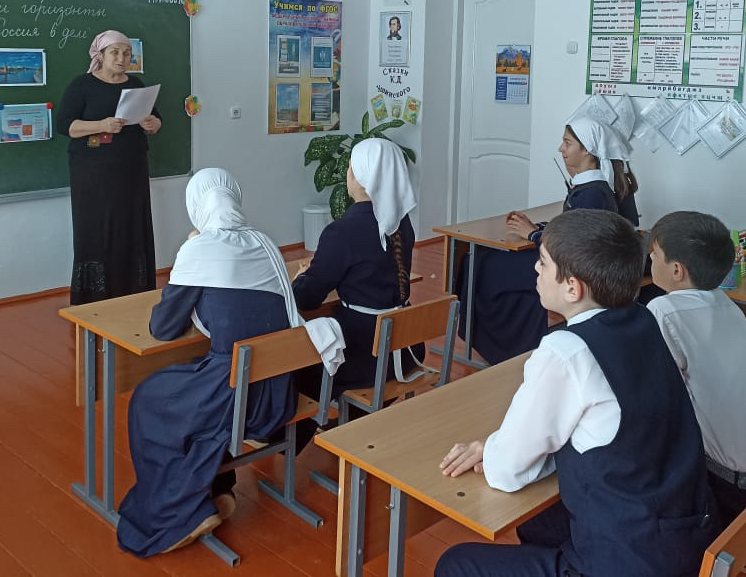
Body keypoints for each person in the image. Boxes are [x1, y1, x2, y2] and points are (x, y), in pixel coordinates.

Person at [436, 209, 717, 577]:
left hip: (625, 561)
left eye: (543, 262)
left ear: (573, 287)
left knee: (455, 564)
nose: (535, 268)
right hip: (683, 535)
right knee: (539, 524)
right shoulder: (645, 319)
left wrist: (489, 448)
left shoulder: (566, 351)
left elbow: (506, 470)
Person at [116, 169, 302, 556]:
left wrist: (189, 253)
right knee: (193, 387)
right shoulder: (265, 242)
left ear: (196, 207)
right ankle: (217, 488)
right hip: (278, 393)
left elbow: (163, 327)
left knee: (150, 400)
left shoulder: (200, 250)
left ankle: (182, 511)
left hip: (238, 397)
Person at [458, 118, 639, 365]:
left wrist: (534, 235)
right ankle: (506, 344)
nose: (560, 149)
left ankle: (503, 347)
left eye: (567, 143)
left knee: (480, 264)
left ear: (587, 150)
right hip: (566, 262)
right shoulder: (593, 187)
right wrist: (537, 228)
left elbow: (574, 246)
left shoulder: (593, 193)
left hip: (568, 268)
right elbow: (574, 228)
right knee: (483, 259)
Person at [646, 211, 746, 523]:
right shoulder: (725, 303)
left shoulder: (664, 309)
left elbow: (654, 397)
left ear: (676, 270)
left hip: (724, 487)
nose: (649, 259)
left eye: (654, 254)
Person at [293, 137, 423, 395]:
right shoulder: (402, 222)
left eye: (350, 167)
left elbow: (306, 299)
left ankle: (341, 418)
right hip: (406, 350)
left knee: (295, 367)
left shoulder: (341, 232)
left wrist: (301, 277)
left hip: (362, 356)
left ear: (358, 176)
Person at [56, 30, 162, 305]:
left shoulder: (136, 84)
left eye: (126, 53)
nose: (121, 58)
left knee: (132, 227)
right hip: (92, 173)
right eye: (115, 52)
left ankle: (134, 291)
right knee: (96, 228)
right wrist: (101, 125)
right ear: (100, 55)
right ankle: (94, 296)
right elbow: (64, 125)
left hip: (132, 170)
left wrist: (153, 123)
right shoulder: (82, 85)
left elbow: (154, 118)